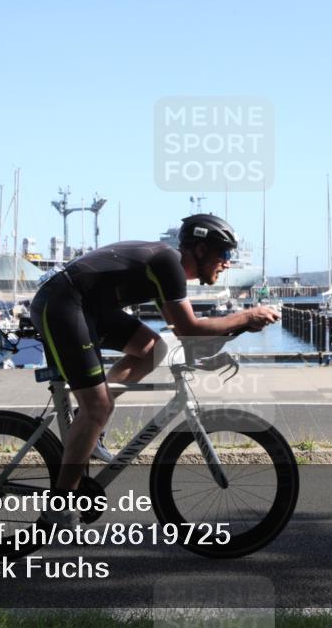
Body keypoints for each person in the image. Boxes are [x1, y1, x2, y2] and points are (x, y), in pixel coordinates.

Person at [29, 214, 280, 527]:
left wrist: (239, 331)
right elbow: (190, 326)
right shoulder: (168, 264)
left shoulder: (167, 268)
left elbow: (186, 336)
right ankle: (60, 506)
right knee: (98, 405)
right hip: (62, 304)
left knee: (152, 349)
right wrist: (247, 316)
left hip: (88, 308)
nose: (228, 263)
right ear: (201, 251)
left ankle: (90, 427)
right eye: (225, 254)